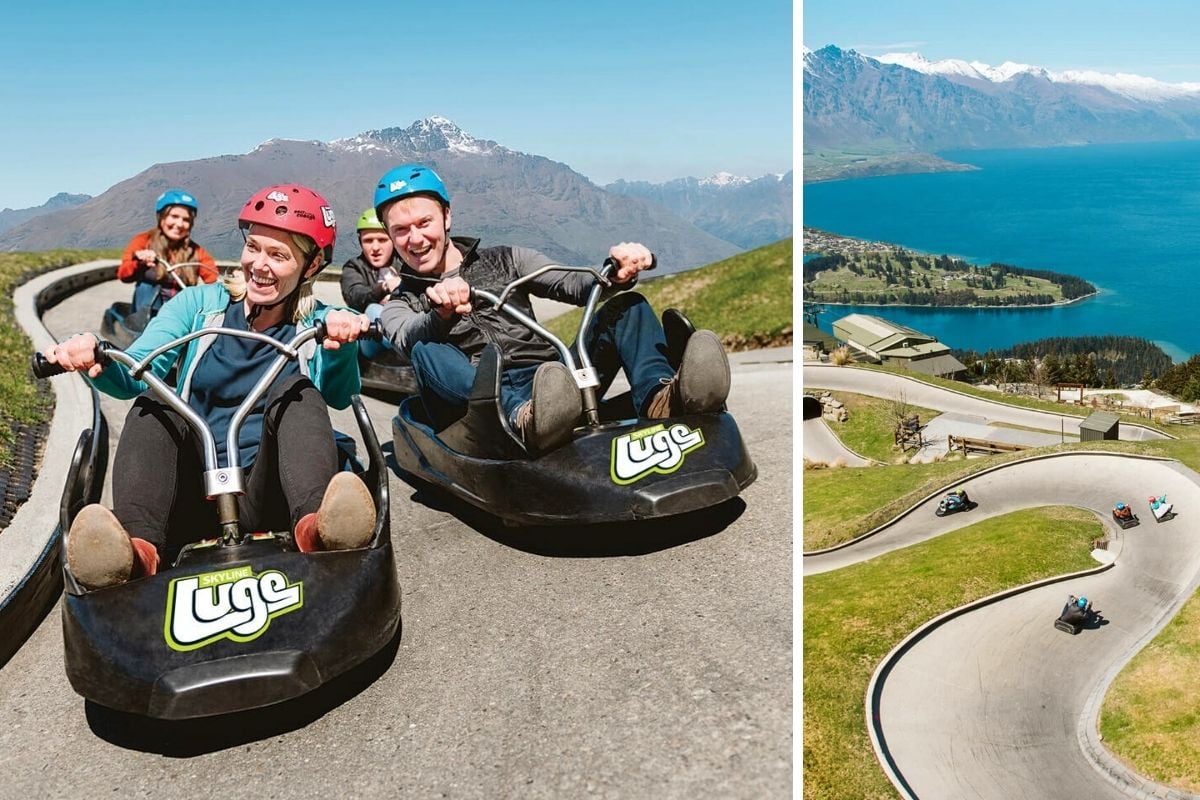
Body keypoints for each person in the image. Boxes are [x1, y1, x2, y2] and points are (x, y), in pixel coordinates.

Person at [45, 185, 375, 590]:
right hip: (192, 487)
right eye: (253, 247)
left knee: (298, 391)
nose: (259, 265)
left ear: (312, 266)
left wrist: (341, 344)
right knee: (155, 402)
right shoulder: (199, 305)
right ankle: (137, 553)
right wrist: (95, 354)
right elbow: (135, 371)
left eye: (278, 255)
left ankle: (317, 531)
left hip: (271, 491)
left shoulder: (318, 323)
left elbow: (338, 394)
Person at [373, 163, 731, 451]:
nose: (415, 239)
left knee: (627, 306)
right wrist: (441, 313)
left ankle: (661, 397)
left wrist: (618, 272)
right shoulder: (401, 301)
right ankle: (524, 419)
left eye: (424, 223)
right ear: (390, 236)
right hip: (485, 404)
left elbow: (574, 285)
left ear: (446, 217)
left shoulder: (508, 259)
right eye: (401, 230)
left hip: (552, 382)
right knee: (426, 349)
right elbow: (406, 336)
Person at [118, 188, 218, 313]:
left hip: (180, 310)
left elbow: (213, 278)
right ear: (162, 217)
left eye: (186, 220)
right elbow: (123, 275)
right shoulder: (143, 240)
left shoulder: (196, 251)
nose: (179, 224)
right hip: (147, 311)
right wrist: (139, 261)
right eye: (174, 216)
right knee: (146, 287)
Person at [340, 209, 403, 360]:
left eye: (382, 240)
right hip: (368, 338)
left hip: (403, 323)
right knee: (373, 310)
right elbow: (355, 296)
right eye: (368, 240)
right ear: (360, 242)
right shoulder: (354, 267)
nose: (375, 248)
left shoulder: (405, 264)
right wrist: (384, 288)